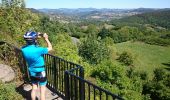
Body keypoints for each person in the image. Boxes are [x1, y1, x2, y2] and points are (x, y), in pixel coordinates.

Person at [21, 31, 52, 100]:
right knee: (42, 90)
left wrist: (35, 37)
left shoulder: (23, 49)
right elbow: (50, 47)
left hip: (32, 71)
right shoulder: (39, 50)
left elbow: (29, 45)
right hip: (40, 71)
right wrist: (46, 38)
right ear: (34, 40)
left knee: (34, 88)